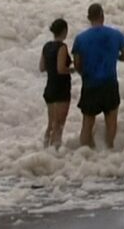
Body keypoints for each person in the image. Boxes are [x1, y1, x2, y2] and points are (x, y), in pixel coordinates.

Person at [72, 3, 124, 149]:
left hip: (90, 84)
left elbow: (77, 64)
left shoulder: (80, 38)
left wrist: (84, 74)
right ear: (102, 16)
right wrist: (115, 57)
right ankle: (108, 153)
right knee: (111, 122)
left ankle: (83, 157)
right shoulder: (116, 34)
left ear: (88, 18)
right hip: (110, 84)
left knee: (87, 123)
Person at [39, 18, 72, 151]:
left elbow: (42, 67)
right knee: (59, 125)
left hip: (50, 88)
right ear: (64, 31)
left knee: (51, 124)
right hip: (61, 89)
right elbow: (61, 68)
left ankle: (45, 148)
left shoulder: (46, 46)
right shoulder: (62, 47)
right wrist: (73, 69)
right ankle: (55, 152)